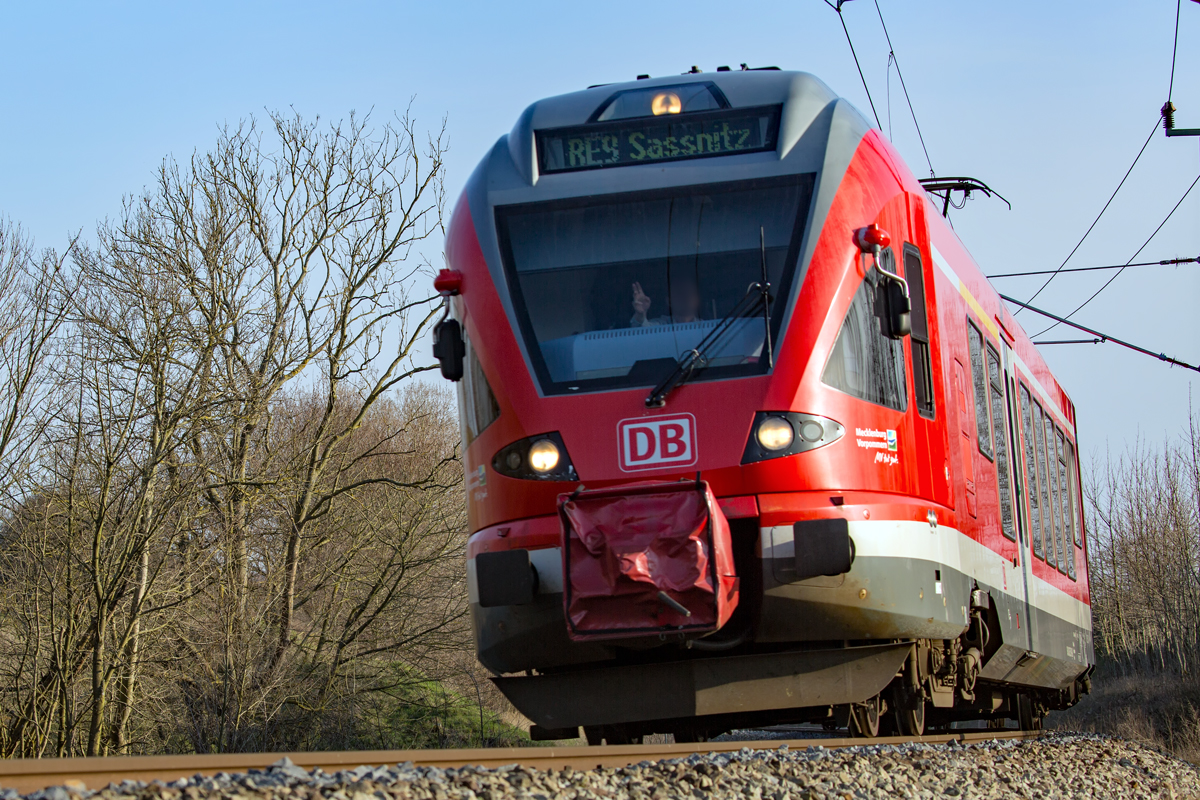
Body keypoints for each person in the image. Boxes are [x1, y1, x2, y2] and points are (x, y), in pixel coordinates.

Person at [630, 279, 703, 326]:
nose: (685, 297)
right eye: (679, 293)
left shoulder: (706, 328)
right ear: (669, 301)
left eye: (690, 293)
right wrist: (640, 314)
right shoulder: (661, 326)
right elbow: (642, 330)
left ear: (697, 299)